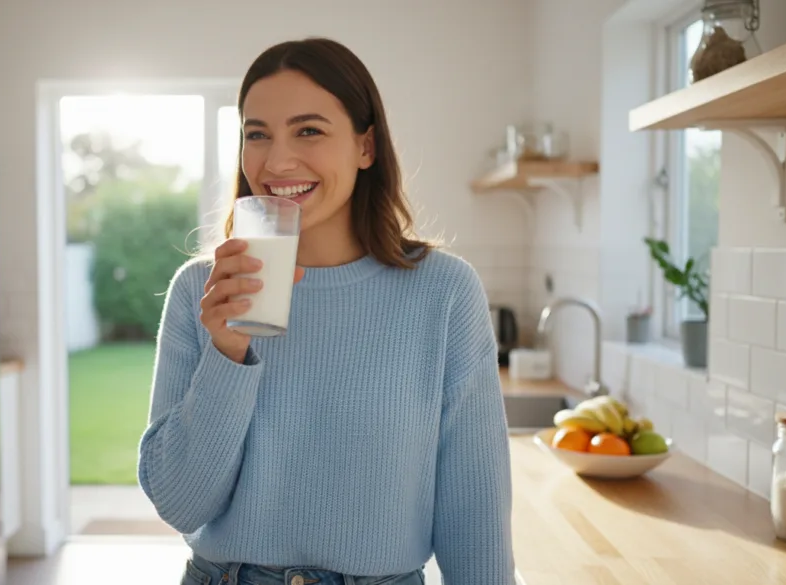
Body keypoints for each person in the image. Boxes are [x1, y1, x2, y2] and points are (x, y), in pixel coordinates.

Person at [138, 37, 515, 585]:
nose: (276, 160)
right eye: (256, 134)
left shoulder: (443, 292)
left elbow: (475, 511)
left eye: (308, 130)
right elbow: (180, 504)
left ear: (366, 147)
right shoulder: (202, 291)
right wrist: (226, 351)